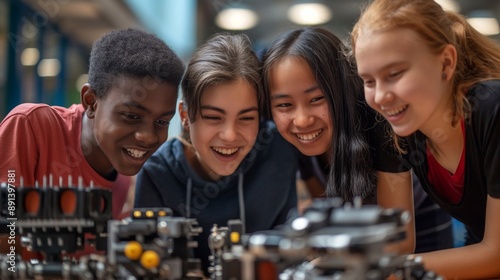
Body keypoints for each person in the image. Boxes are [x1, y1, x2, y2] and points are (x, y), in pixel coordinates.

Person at [0, 28, 184, 255]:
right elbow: (6, 245)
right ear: (91, 102)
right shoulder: (31, 126)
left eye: (162, 122)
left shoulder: (136, 181)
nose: (148, 136)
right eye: (131, 116)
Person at [351, 0, 500, 278]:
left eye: (394, 74)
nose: (381, 96)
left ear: (446, 63)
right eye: (369, 81)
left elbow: (496, 253)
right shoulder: (395, 125)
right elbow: (398, 241)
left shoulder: (492, 109)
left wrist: (381, 270)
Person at [134, 33, 299, 276]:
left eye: (246, 118)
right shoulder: (157, 175)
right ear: (184, 116)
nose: (230, 136)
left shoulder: (279, 150)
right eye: (213, 117)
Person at [261, 26, 415, 254]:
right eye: (284, 105)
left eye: (316, 99)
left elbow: (399, 245)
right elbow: (326, 222)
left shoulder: (380, 127)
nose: (302, 121)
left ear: (342, 91)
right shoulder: (292, 143)